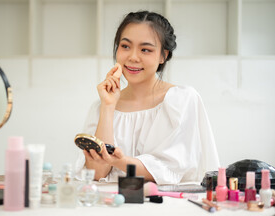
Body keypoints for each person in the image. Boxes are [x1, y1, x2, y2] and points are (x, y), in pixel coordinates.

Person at [75, 11, 220, 184]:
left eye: (145, 49)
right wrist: (108, 106)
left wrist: (118, 162)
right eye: (125, 46)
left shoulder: (182, 100)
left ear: (163, 56)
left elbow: (170, 171)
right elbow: (97, 174)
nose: (133, 57)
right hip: (111, 206)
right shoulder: (101, 106)